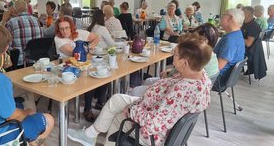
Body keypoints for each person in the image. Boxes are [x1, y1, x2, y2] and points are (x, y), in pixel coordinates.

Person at [68, 33, 212, 146]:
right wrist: (175, 73)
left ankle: (100, 139)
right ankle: (90, 136)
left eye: (175, 55)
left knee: (119, 117)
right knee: (117, 99)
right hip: (152, 108)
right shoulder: (201, 76)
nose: (172, 57)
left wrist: (132, 110)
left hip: (153, 135)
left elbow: (154, 124)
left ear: (185, 63)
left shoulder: (181, 92)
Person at [130, 23, 219, 97]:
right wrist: (173, 71)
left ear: (204, 41)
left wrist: (171, 75)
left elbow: (181, 78)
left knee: (135, 90)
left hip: (171, 92)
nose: (192, 40)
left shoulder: (197, 56)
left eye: (195, 38)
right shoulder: (211, 57)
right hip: (184, 91)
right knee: (148, 81)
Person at [213, 8, 245, 90]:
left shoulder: (230, 40)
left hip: (217, 80)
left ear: (230, 18)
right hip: (224, 77)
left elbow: (218, 67)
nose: (221, 17)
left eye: (223, 15)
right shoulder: (237, 34)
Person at [5, 0, 43, 67]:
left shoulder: (11, 22)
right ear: (26, 8)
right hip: (36, 60)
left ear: (14, 9)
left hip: (19, 62)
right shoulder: (36, 20)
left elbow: (6, 45)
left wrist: (3, 21)